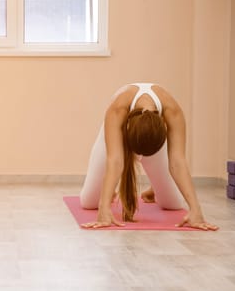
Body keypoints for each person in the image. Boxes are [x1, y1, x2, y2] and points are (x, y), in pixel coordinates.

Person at [80, 83, 218, 230]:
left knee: (173, 204)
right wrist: (104, 208)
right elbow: (115, 161)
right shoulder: (117, 109)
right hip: (115, 135)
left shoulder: (173, 111)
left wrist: (195, 209)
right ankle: (110, 191)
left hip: (152, 138)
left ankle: (155, 188)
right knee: (89, 202)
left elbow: (178, 161)